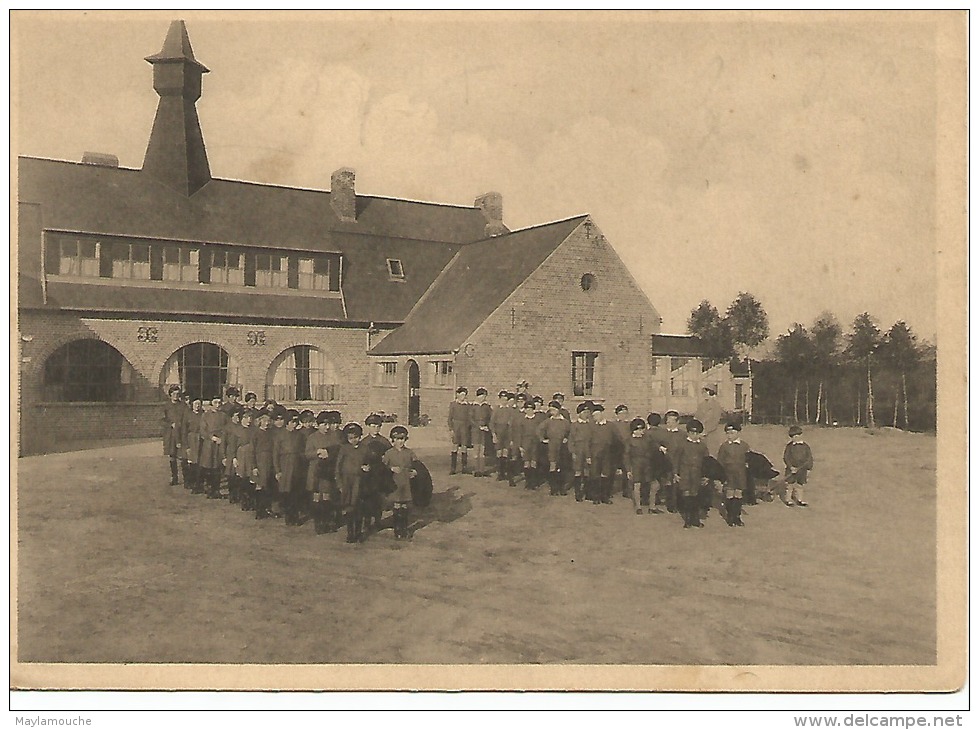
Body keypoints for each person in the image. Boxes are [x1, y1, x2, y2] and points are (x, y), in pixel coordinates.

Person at [336, 422, 372, 543]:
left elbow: (369, 463)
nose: (353, 440)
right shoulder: (344, 449)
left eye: (356, 437)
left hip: (360, 482)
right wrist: (340, 484)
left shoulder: (365, 448)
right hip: (347, 482)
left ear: (360, 436)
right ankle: (350, 533)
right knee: (349, 508)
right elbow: (338, 467)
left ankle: (358, 532)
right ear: (347, 438)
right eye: (350, 438)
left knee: (359, 508)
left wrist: (367, 468)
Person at [382, 425, 418, 540]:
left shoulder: (409, 453)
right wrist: (391, 469)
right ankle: (397, 529)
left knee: (405, 507)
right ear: (393, 440)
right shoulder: (388, 453)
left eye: (402, 439)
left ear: (405, 439)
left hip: (406, 483)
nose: (400, 442)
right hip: (395, 483)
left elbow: (418, 465)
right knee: (397, 506)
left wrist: (415, 472)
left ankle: (404, 528)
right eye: (397, 439)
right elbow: (382, 468)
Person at [675, 419, 709, 528]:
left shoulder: (702, 446)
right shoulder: (682, 444)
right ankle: (688, 520)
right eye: (692, 433)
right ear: (688, 433)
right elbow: (676, 460)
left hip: (697, 474)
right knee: (686, 495)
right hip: (685, 473)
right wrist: (676, 473)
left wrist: (706, 475)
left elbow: (707, 462)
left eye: (697, 433)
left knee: (695, 496)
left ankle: (696, 519)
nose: (694, 435)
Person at [362, 413, 393, 532]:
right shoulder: (364, 442)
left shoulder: (384, 441)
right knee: (367, 497)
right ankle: (367, 521)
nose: (375, 429)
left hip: (380, 474)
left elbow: (390, 455)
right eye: (372, 426)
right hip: (368, 475)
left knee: (379, 497)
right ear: (368, 427)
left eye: (378, 426)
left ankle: (378, 520)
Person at [274, 412, 306, 525]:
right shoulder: (280, 435)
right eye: (293, 422)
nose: (295, 424)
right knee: (286, 492)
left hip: (297, 466)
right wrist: (278, 470)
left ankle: (295, 516)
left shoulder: (300, 435)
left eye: (296, 422)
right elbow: (276, 454)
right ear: (287, 423)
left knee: (296, 492)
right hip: (285, 466)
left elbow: (303, 451)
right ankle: (288, 516)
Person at [717, 422, 750, 526]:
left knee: (738, 494)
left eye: (732, 432)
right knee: (730, 494)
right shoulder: (724, 446)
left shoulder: (744, 445)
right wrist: (721, 476)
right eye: (728, 433)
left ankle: (737, 517)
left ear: (738, 432)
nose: (730, 435)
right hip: (728, 474)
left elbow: (749, 459)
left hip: (740, 474)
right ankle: (730, 516)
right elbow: (720, 462)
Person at [538, 400, 570, 495]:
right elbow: (539, 430)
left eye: (554, 410)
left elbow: (570, 432)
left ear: (559, 410)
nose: (553, 412)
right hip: (552, 445)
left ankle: (561, 487)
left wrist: (566, 438)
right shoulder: (548, 421)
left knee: (562, 466)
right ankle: (553, 488)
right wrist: (543, 439)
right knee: (553, 465)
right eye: (551, 410)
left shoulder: (565, 422)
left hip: (563, 446)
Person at [198, 397, 227, 499]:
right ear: (211, 404)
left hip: (220, 444)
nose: (218, 404)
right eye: (215, 402)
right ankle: (210, 489)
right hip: (209, 444)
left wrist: (222, 438)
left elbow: (227, 428)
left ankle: (217, 489)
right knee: (209, 466)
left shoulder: (223, 416)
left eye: (219, 402)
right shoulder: (205, 415)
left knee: (218, 467)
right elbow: (202, 430)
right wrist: (212, 437)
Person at [624, 418, 653, 515]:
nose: (640, 432)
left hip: (647, 464)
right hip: (635, 464)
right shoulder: (629, 440)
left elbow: (653, 445)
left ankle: (651, 506)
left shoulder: (647, 438)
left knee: (653, 484)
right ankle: (638, 506)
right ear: (633, 430)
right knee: (637, 485)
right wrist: (628, 469)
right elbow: (626, 456)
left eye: (642, 429)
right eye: (638, 430)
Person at [589, 404, 616, 504]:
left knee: (606, 474)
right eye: (593, 416)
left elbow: (616, 440)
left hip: (607, 455)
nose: (595, 417)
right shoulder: (591, 426)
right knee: (595, 475)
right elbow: (588, 441)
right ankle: (596, 497)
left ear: (601, 414)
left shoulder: (610, 426)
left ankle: (605, 496)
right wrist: (588, 455)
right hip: (595, 454)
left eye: (596, 415)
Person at [252, 411, 276, 520]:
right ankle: (259, 509)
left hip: (270, 460)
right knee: (260, 485)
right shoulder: (256, 433)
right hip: (260, 461)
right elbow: (252, 451)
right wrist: (254, 466)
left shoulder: (271, 433)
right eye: (264, 421)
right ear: (260, 421)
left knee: (269, 485)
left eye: (268, 421)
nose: (266, 423)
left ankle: (267, 508)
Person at [568, 402, 593, 502]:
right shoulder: (575, 425)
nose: (586, 414)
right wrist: (573, 452)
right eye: (584, 412)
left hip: (588, 449)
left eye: (587, 412)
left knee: (587, 471)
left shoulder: (590, 424)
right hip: (578, 449)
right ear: (579, 414)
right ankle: (578, 493)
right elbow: (571, 440)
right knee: (578, 471)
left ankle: (587, 492)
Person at [783, 425, 814, 507]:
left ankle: (800, 499)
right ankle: (788, 499)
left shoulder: (805, 446)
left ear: (801, 435)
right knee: (789, 484)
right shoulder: (789, 446)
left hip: (802, 469)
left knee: (800, 484)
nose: (795, 438)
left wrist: (808, 468)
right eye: (793, 437)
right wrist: (791, 467)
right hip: (791, 469)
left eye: (797, 436)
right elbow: (786, 457)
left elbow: (809, 458)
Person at [661, 410, 685, 513]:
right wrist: (660, 448)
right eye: (668, 421)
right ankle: (669, 502)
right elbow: (655, 443)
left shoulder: (682, 434)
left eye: (672, 421)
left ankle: (677, 503)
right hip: (666, 461)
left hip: (679, 462)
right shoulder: (662, 433)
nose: (669, 424)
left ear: (677, 422)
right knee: (667, 483)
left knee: (677, 484)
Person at [162, 385, 185, 486]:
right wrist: (170, 424)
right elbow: (162, 420)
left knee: (183, 455)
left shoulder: (183, 406)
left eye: (177, 394)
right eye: (174, 394)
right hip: (171, 434)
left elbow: (187, 417)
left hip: (181, 433)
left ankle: (187, 478)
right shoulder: (166, 406)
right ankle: (174, 477)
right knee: (172, 455)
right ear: (170, 395)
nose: (176, 396)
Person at [235, 410, 257, 512]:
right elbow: (232, 446)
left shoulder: (254, 430)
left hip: (252, 456)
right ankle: (244, 501)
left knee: (252, 478)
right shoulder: (237, 430)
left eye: (250, 419)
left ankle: (252, 500)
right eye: (246, 418)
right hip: (242, 456)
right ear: (241, 419)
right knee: (243, 478)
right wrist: (234, 458)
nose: (248, 421)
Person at [470, 388, 493, 477]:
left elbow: (491, 417)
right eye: (482, 396)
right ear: (478, 396)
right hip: (476, 430)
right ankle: (476, 470)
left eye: (485, 396)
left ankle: (482, 470)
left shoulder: (486, 406)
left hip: (484, 429)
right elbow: (470, 418)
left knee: (482, 450)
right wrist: (478, 426)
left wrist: (487, 426)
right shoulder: (473, 406)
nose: (484, 398)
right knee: (476, 449)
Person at [182, 398, 204, 493]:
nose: (197, 406)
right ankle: (191, 482)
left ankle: (199, 483)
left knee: (200, 462)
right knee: (192, 462)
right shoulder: (188, 415)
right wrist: (186, 445)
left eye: (199, 404)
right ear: (192, 405)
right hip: (191, 439)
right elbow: (184, 430)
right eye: (195, 404)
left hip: (201, 439)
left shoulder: (203, 415)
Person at [490, 390, 512, 482]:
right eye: (502, 399)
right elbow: (491, 423)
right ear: (499, 399)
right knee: (499, 452)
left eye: (506, 399)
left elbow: (512, 423)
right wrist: (494, 434)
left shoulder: (510, 410)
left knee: (505, 452)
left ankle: (504, 473)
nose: (504, 401)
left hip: (507, 433)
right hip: (499, 432)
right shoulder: (496, 410)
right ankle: (500, 473)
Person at [448, 387, 471, 475]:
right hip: (456, 427)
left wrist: (468, 427)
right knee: (455, 446)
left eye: (464, 395)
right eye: (461, 395)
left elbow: (469, 417)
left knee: (464, 447)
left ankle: (464, 467)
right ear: (457, 394)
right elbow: (450, 418)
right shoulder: (453, 404)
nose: (463, 397)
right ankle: (453, 468)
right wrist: (451, 429)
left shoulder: (467, 405)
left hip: (464, 427)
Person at [611, 404, 631, 498]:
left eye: (625, 413)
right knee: (612, 469)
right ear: (617, 414)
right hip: (615, 450)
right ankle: (610, 490)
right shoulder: (613, 424)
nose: (623, 415)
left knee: (626, 469)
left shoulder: (630, 424)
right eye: (621, 413)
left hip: (626, 450)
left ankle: (626, 490)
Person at [695, 386, 724, 452]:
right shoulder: (701, 405)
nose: (704, 394)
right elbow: (696, 418)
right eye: (703, 392)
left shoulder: (716, 405)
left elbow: (715, 421)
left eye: (706, 392)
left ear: (711, 392)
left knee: (711, 453)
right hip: (700, 434)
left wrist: (705, 431)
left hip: (711, 434)